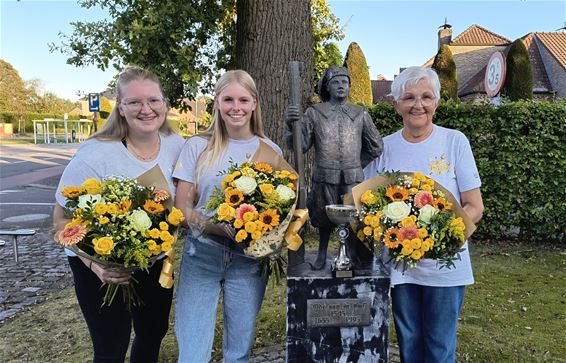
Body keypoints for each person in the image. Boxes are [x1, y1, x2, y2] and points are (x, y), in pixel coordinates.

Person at [52, 66, 185, 363]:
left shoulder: (178, 146)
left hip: (155, 261)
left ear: (164, 103)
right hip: (99, 269)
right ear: (121, 108)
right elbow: (60, 218)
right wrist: (95, 265)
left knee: (153, 335)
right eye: (135, 102)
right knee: (111, 348)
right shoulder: (95, 154)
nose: (146, 109)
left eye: (153, 100)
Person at [363, 66, 484, 363]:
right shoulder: (383, 148)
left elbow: (474, 206)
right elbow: (366, 206)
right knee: (410, 345)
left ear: (437, 103)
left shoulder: (454, 141)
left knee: (440, 348)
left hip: (445, 268)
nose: (418, 105)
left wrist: (436, 240)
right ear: (396, 105)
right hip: (402, 268)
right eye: (409, 98)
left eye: (426, 97)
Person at [173, 70, 282, 362]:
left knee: (238, 352)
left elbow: (278, 207)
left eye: (243, 99)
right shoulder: (198, 146)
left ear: (255, 103)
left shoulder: (270, 150)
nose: (236, 107)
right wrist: (212, 226)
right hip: (202, 254)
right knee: (193, 352)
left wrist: (269, 235)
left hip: (248, 259)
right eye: (228, 99)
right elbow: (181, 206)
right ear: (217, 103)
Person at [286, 66, 383, 270]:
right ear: (327, 87)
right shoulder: (315, 113)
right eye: (336, 82)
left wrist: (357, 164)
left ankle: (352, 255)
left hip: (352, 176)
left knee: (354, 219)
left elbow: (376, 146)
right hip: (324, 175)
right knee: (323, 216)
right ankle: (321, 254)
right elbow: (300, 145)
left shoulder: (360, 114)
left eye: (344, 82)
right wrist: (291, 125)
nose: (341, 86)